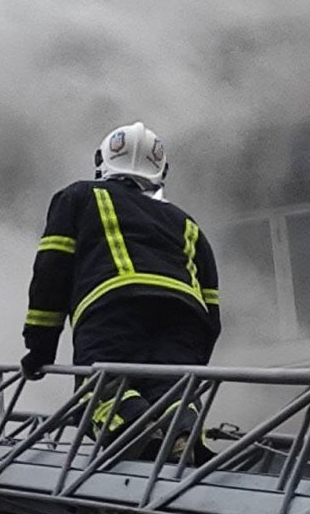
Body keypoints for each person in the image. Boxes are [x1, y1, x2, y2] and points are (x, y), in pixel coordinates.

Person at [20, 121, 220, 456]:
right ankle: (182, 433)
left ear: (101, 160)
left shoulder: (79, 196)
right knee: (172, 391)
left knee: (100, 390)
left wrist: (40, 348)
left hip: (114, 308)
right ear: (161, 171)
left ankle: (136, 429)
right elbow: (210, 303)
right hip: (185, 319)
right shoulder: (186, 222)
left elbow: (51, 272)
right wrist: (194, 359)